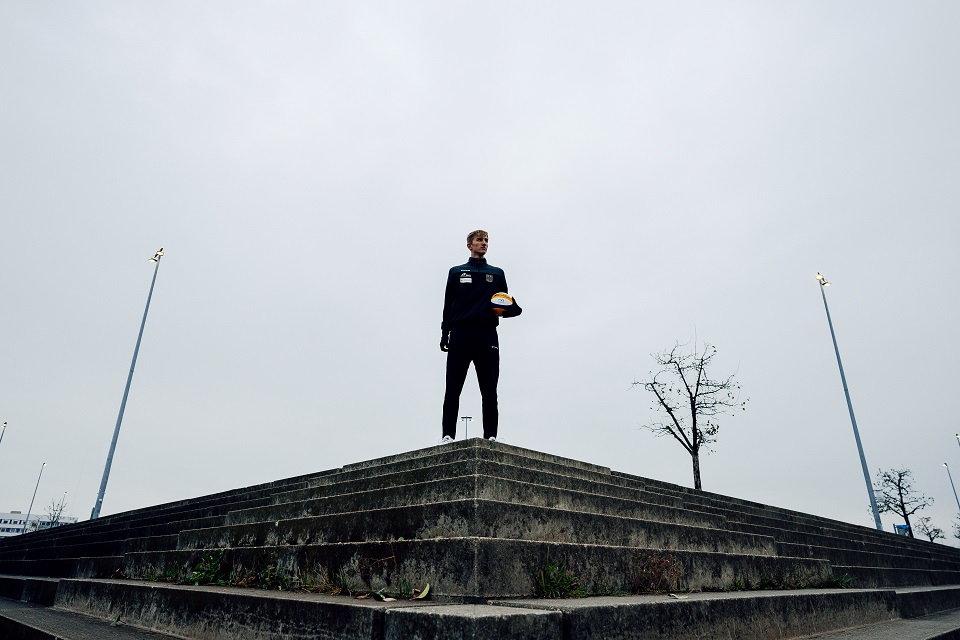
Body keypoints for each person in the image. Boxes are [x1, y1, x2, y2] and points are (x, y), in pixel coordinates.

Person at [440, 229, 521, 444]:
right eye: (479, 240)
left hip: (487, 335)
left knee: (489, 388)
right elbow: (448, 305)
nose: (484, 243)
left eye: (486, 240)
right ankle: (448, 435)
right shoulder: (457, 272)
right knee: (453, 387)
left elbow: (509, 305)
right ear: (469, 245)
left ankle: (491, 435)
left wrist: (507, 310)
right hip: (460, 333)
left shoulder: (497, 273)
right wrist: (444, 332)